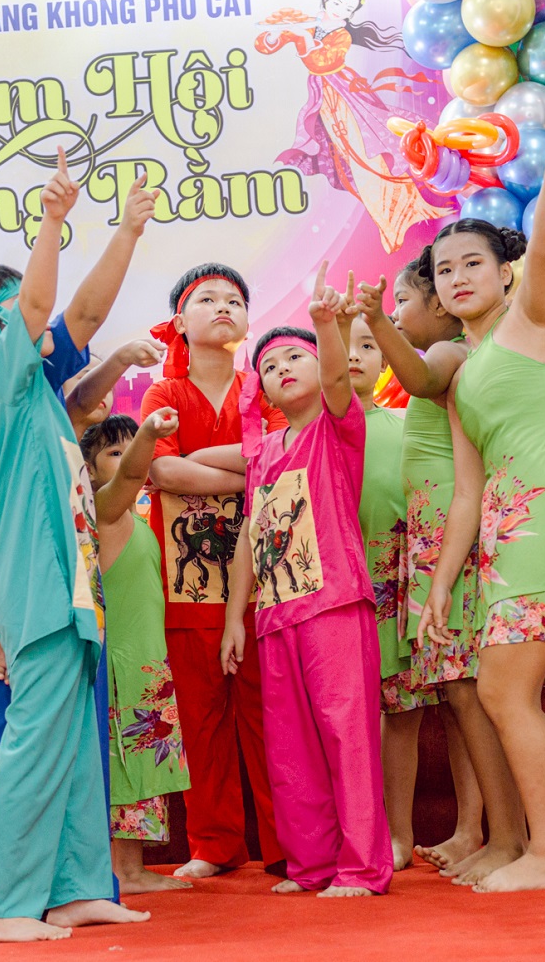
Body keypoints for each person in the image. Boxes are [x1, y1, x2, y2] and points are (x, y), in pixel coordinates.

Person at [0, 159, 158, 833]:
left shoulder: (24, 380)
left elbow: (85, 320)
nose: (39, 308)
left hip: (45, 583)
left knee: (65, 732)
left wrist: (128, 232)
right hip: (15, 591)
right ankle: (12, 874)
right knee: (10, 741)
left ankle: (65, 872)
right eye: (22, 300)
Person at [430, 88, 545, 892]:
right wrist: (443, 583)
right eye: (444, 270)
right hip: (505, 542)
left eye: (473, 262)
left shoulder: (530, 322)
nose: (457, 277)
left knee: (506, 692)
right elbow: (465, 494)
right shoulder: (463, 375)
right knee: (516, 695)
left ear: (504, 274)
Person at [350, 258, 526, 883]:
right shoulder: (458, 353)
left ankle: (502, 834)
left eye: (402, 302)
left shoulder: (447, 353)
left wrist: (374, 321)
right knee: (459, 692)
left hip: (448, 539)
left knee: (465, 691)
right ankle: (480, 830)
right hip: (432, 539)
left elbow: (418, 377)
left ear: (439, 307)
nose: (396, 314)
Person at [221, 266, 391, 898]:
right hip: (275, 617)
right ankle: (311, 865)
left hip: (334, 603)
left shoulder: (336, 424)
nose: (282, 369)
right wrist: (235, 618)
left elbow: (340, 382)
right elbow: (250, 534)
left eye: (295, 357)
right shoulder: (262, 452)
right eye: (269, 366)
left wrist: (327, 325)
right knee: (289, 748)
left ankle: (362, 867)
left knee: (348, 738)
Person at [140, 264, 285, 878]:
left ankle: (286, 844)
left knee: (270, 716)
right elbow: (163, 472)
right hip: (186, 582)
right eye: (207, 299)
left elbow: (283, 460)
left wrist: (201, 460)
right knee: (200, 719)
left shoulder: (266, 386)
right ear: (180, 321)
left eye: (234, 299)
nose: (223, 306)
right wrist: (245, 473)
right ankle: (215, 844)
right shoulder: (163, 396)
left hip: (268, 579)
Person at [82, 411, 194, 896]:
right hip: (121, 664)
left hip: (145, 661)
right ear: (89, 470)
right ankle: (126, 871)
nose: (130, 458)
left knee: (142, 764)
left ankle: (130, 868)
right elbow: (131, 476)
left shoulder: (133, 515)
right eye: (115, 451)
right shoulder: (104, 510)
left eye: (132, 447)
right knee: (124, 764)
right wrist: (148, 434)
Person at [256, 0, 444, 253]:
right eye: (338, 2)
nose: (341, 9)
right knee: (351, 160)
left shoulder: (341, 34)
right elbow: (265, 44)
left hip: (345, 95)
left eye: (348, 7)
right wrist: (275, 34)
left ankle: (398, 216)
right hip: (325, 98)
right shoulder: (308, 23)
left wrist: (302, 38)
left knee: (369, 153)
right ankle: (389, 221)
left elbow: (322, 62)